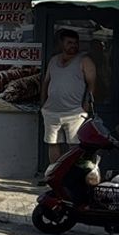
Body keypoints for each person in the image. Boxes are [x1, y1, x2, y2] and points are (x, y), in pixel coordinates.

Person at [40, 28, 97, 164]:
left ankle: (72, 176)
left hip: (74, 112)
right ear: (61, 43)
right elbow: (46, 82)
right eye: (69, 42)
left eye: (75, 43)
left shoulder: (84, 60)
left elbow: (92, 84)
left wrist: (86, 106)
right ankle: (54, 175)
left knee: (75, 146)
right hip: (51, 111)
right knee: (52, 143)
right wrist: (43, 103)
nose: (73, 45)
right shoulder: (54, 60)